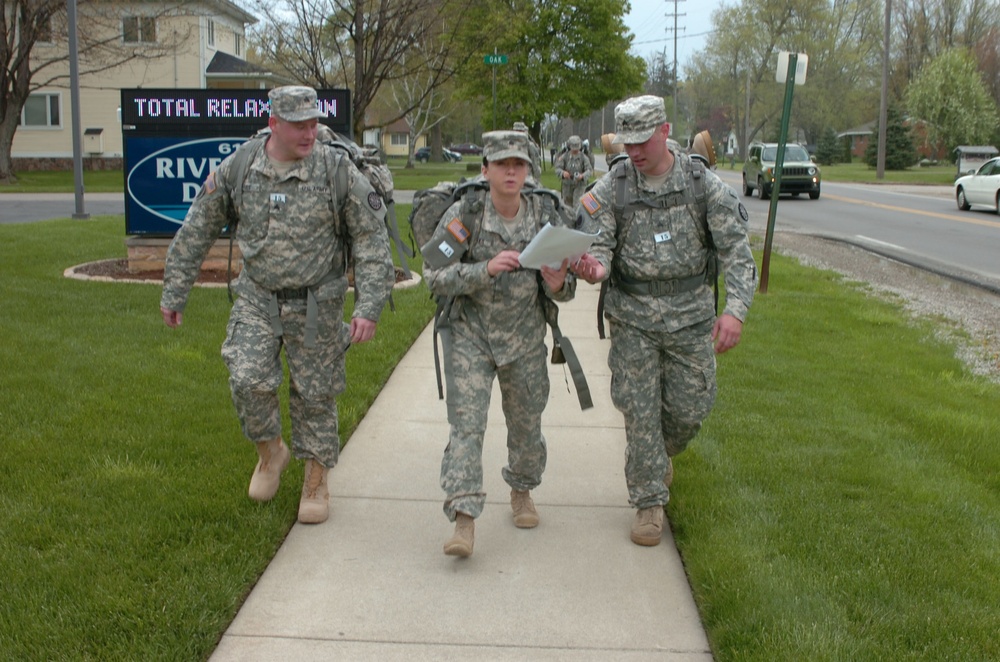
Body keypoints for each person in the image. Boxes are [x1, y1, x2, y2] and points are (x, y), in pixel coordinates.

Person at [159, 85, 394, 525]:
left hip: (317, 304)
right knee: (247, 380)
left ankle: (316, 480)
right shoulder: (241, 167)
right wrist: (175, 290)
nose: (309, 132)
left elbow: (369, 237)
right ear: (274, 124)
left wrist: (369, 303)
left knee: (316, 396)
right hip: (257, 298)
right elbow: (197, 228)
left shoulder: (336, 169)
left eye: (313, 123)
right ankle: (271, 453)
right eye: (299, 124)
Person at [572, 95, 757, 547]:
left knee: (689, 410)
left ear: (664, 131)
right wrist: (594, 268)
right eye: (626, 143)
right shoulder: (612, 186)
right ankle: (648, 501)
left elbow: (737, 251)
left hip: (691, 321)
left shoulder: (702, 184)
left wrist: (734, 311)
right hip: (632, 320)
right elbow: (595, 245)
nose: (633, 152)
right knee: (639, 412)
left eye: (641, 142)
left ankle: (660, 453)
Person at [421, 130, 578, 558]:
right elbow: (432, 275)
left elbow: (566, 292)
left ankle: (522, 489)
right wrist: (482, 271)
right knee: (467, 427)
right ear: (485, 169)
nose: (511, 171)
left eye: (519, 164)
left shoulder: (546, 216)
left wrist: (559, 281)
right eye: (502, 164)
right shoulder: (466, 213)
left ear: (528, 170)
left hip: (525, 339)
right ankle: (464, 519)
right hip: (471, 336)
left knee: (526, 426)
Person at [554, 135, 593, 206]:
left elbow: (589, 170)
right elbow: (557, 168)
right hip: (567, 186)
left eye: (577, 147)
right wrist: (563, 173)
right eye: (573, 147)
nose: (575, 150)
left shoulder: (583, 157)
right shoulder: (564, 156)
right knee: (567, 206)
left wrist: (582, 176)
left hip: (580, 185)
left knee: (577, 205)